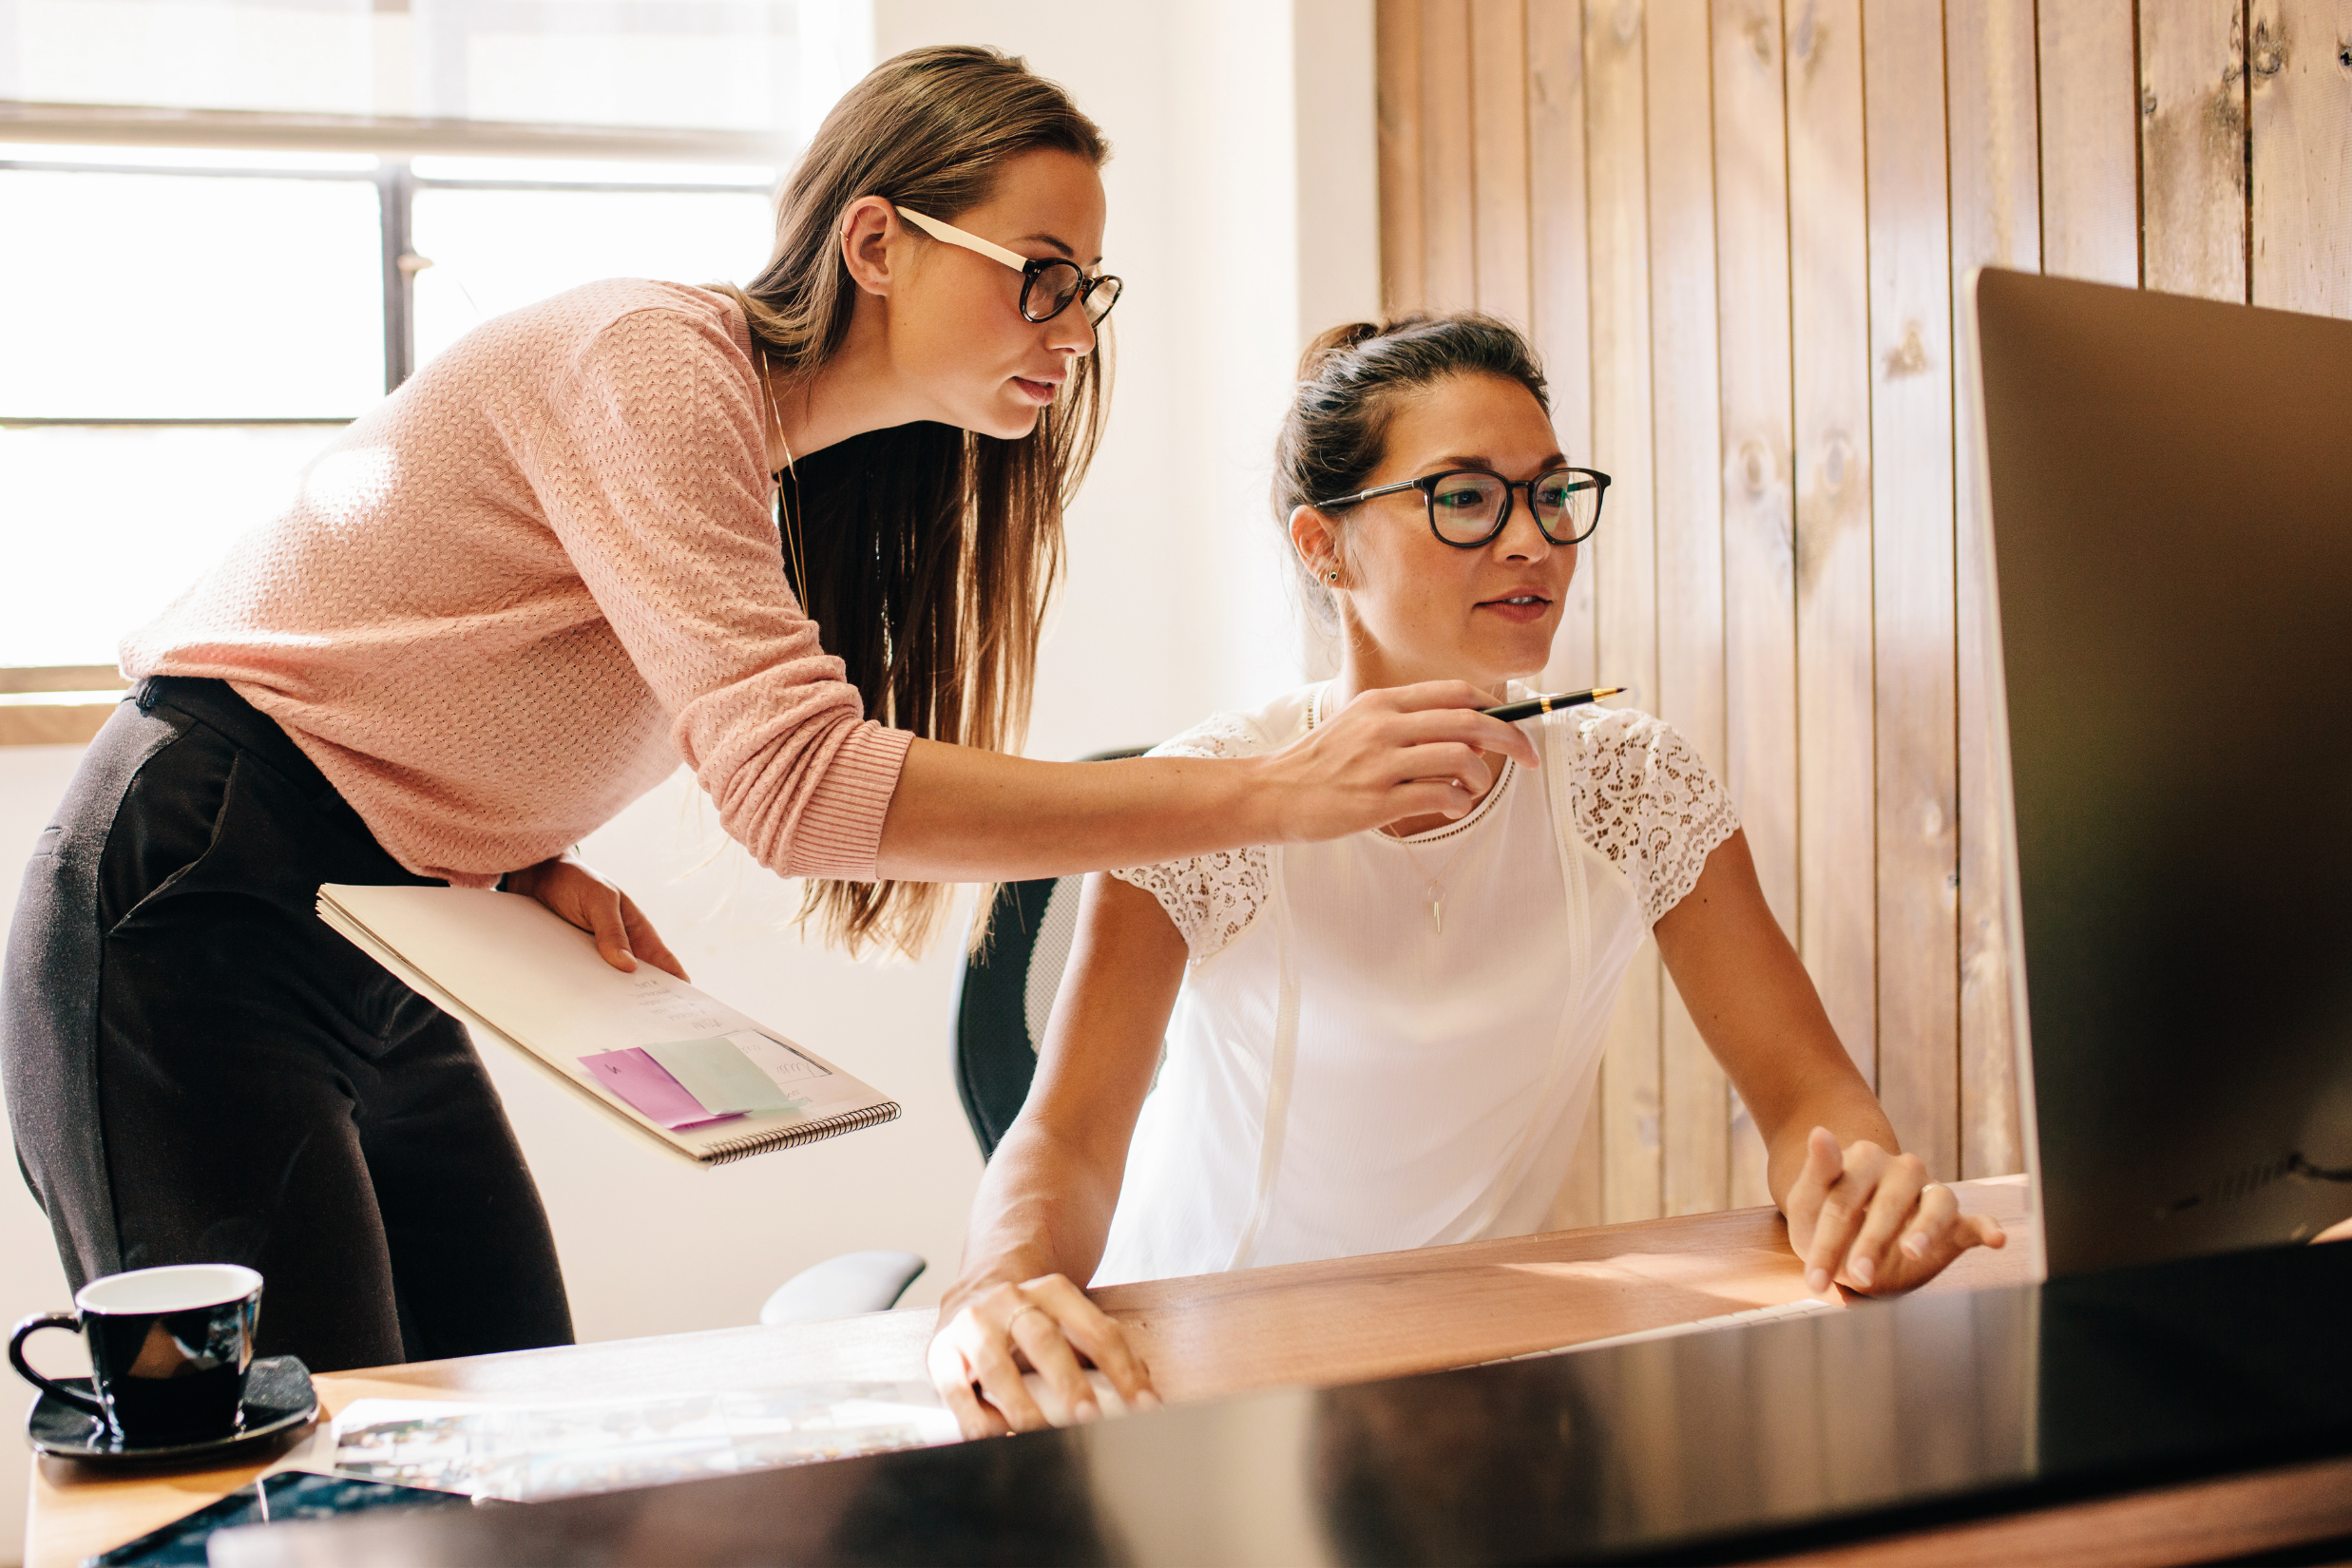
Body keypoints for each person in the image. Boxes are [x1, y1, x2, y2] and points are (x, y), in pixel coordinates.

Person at [0, 49, 1532, 1375]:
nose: (1073, 326)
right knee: (293, 1477)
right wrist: (1267, 791)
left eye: (1090, 287)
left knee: (512, 1421)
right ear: (876, 239)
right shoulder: (655, 362)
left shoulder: (783, 470)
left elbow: (438, 654)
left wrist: (508, 849)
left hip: (385, 921)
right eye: (1040, 272)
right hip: (189, 903)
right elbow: (800, 793)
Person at [927, 314, 2008, 1438]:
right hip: (1189, 1364)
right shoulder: (1208, 795)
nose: (1533, 540)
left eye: (1550, 493)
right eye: (1464, 497)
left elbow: (1809, 1096)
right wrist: (995, 1280)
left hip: (1468, 1368)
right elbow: (1064, 1138)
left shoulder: (1634, 787)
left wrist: (1859, 1189)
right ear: (1323, 546)